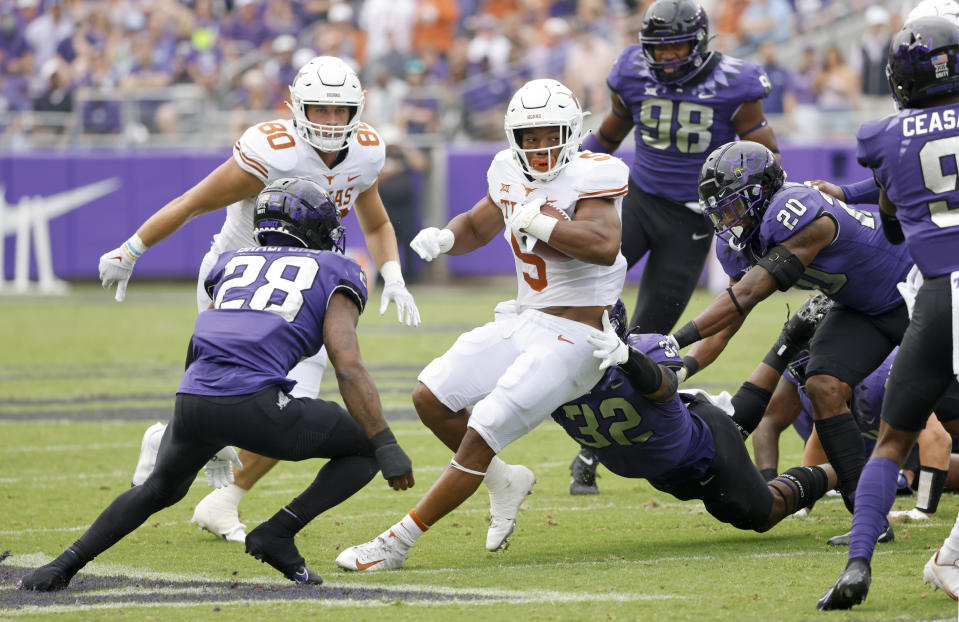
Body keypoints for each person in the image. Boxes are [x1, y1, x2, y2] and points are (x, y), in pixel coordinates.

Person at [17, 178, 415, 591]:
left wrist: (202, 421)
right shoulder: (337, 268)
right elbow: (347, 364)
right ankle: (278, 532)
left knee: (158, 489)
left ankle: (61, 565)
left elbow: (203, 338)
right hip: (256, 405)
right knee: (364, 448)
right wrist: (385, 440)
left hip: (195, 397)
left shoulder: (232, 262)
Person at [98, 56, 420, 543]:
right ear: (296, 107)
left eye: (341, 111)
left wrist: (394, 275)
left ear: (358, 110)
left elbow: (375, 223)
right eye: (320, 110)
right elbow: (192, 202)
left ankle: (219, 493)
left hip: (302, 284)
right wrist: (131, 248)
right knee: (241, 395)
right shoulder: (274, 152)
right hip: (238, 280)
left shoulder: (365, 153)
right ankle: (172, 444)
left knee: (294, 403)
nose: (331, 122)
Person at [333, 78, 629, 570]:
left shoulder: (593, 174)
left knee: (485, 426)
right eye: (529, 137)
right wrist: (446, 238)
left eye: (550, 133)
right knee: (432, 395)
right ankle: (503, 481)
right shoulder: (508, 171)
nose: (540, 146)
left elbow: (604, 247)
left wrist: (544, 224)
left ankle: (397, 542)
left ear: (572, 131)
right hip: (526, 319)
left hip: (580, 337)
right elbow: (478, 223)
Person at [570, 0, 780, 494]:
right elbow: (606, 137)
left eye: (678, 47)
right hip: (639, 204)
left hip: (691, 221)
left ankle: (592, 448)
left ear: (702, 42)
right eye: (658, 50)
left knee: (645, 340)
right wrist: (561, 172)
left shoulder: (736, 83)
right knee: (582, 301)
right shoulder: (631, 72)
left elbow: (765, 156)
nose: (667, 60)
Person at [666, 140, 914, 539]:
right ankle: (868, 521)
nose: (727, 218)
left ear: (761, 192)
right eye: (720, 209)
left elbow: (746, 296)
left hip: (911, 291)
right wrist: (681, 366)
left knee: (949, 404)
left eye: (732, 205)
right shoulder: (740, 243)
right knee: (822, 385)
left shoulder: (794, 209)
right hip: (859, 308)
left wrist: (672, 340)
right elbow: (730, 321)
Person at [817, 17, 959, 609]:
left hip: (936, 297)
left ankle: (858, 562)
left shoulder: (883, 135)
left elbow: (895, 217)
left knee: (890, 442)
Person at [550, 297, 838, 536]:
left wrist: (629, 360)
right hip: (671, 464)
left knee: (764, 513)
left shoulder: (642, 350)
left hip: (704, 452)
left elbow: (663, 387)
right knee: (732, 432)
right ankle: (787, 342)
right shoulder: (549, 371)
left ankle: (847, 469)